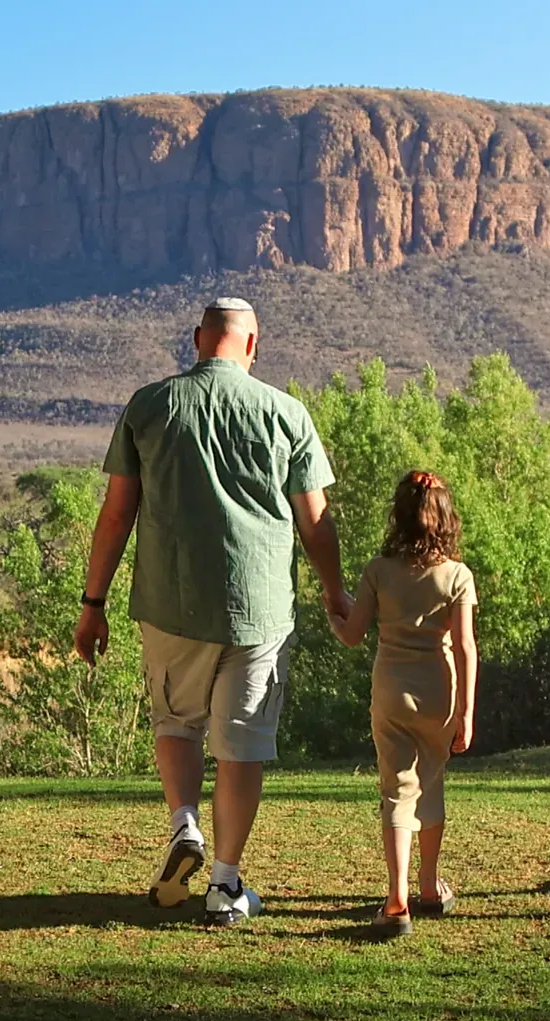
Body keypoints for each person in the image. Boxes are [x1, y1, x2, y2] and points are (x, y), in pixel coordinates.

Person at [73, 297, 350, 928]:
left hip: (171, 604)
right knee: (242, 745)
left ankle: (184, 824)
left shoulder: (150, 405)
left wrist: (93, 604)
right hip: (260, 610)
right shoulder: (286, 413)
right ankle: (225, 885)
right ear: (252, 347)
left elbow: (116, 514)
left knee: (176, 722)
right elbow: (316, 520)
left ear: (198, 339)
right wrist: (335, 593)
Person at [327, 471, 478, 938]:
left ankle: (396, 901)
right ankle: (430, 888)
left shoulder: (379, 570)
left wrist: (333, 612)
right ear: (446, 519)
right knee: (431, 784)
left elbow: (353, 634)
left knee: (398, 790)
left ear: (400, 517)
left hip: (392, 689)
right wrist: (466, 712)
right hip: (442, 690)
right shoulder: (456, 576)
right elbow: (467, 647)